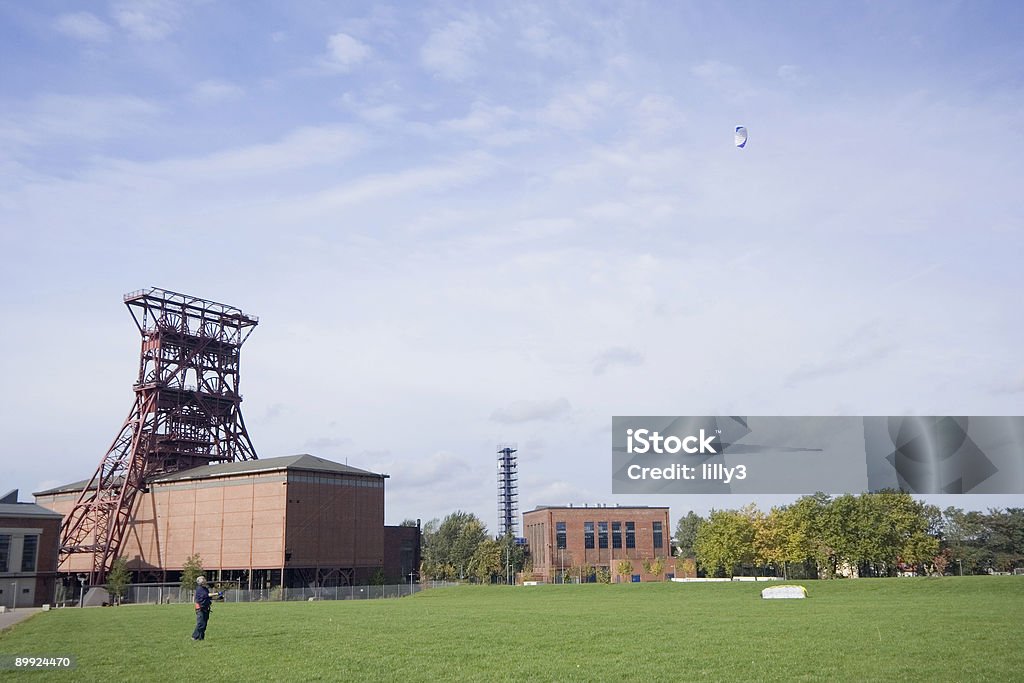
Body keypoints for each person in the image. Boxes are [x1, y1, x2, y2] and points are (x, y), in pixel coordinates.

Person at [191, 576, 212, 641]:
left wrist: (218, 597)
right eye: (204, 579)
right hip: (200, 608)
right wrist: (217, 593)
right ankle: (194, 636)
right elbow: (206, 595)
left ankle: (201, 638)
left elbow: (208, 597)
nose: (205, 580)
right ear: (201, 581)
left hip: (206, 608)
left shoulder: (205, 588)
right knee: (200, 623)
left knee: (204, 624)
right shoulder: (199, 589)